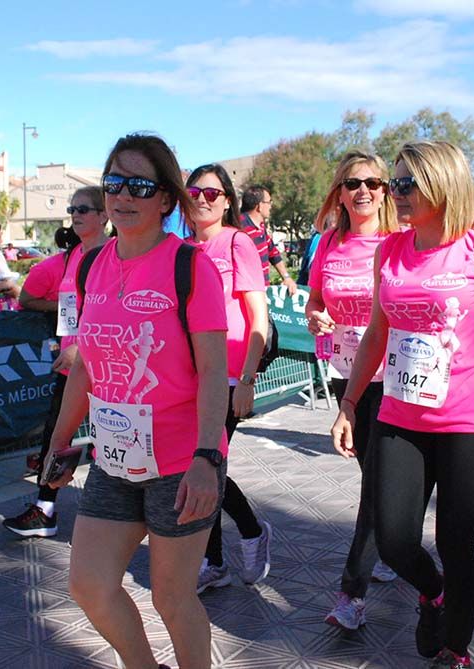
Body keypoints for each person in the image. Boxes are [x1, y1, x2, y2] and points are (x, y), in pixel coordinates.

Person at [331, 141, 474, 669]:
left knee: (457, 545)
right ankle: (433, 594)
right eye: (395, 183)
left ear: (443, 185)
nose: (396, 194)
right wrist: (349, 403)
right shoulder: (390, 250)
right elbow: (377, 334)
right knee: (394, 540)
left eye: (406, 184)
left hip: (472, 423)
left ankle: (454, 646)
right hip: (400, 417)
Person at [44, 134, 229, 669]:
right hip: (115, 458)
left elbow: (214, 372)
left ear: (166, 198)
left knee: (171, 597)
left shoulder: (190, 266)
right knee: (89, 585)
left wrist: (207, 458)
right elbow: (85, 366)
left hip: (180, 462)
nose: (124, 195)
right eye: (115, 183)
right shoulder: (90, 266)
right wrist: (59, 443)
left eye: (140, 186)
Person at [304, 151, 399, 631]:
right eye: (353, 183)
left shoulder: (399, 241)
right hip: (348, 373)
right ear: (340, 194)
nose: (363, 191)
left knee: (377, 483)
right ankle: (393, 542)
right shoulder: (328, 243)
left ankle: (351, 593)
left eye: (373, 183)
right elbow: (315, 300)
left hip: (397, 377)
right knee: (375, 476)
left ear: (384, 192)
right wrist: (316, 316)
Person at [184, 164, 273, 594]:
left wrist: (248, 379)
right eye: (194, 193)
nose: (202, 200)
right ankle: (215, 560)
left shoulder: (237, 243)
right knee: (198, 464)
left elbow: (258, 317)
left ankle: (250, 532)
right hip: (189, 377)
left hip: (230, 376)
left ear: (226, 201)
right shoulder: (181, 250)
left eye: (212, 193)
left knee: (208, 463)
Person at [2, 187, 109, 537]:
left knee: (111, 440)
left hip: (107, 366)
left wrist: (85, 346)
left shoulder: (115, 254)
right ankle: (45, 508)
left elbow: (113, 310)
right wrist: (72, 343)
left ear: (104, 215)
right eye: (72, 208)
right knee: (55, 437)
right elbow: (65, 306)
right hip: (70, 364)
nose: (75, 214)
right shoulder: (72, 256)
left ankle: (123, 519)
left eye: (84, 209)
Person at [239, 185, 298, 296]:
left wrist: (286, 277)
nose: (271, 206)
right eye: (269, 202)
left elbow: (273, 252)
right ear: (259, 206)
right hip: (247, 294)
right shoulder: (240, 228)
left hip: (262, 292)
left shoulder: (260, 226)